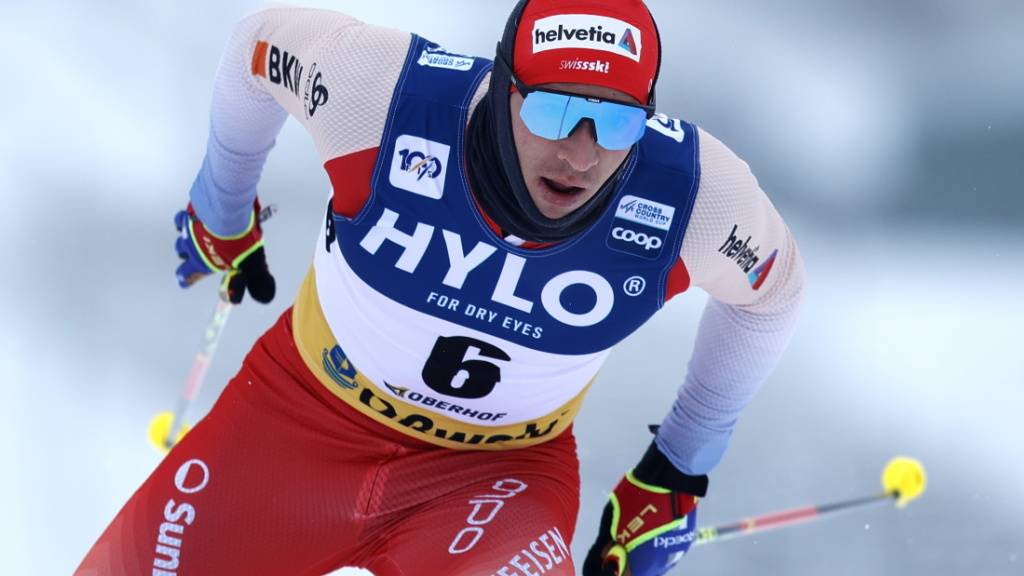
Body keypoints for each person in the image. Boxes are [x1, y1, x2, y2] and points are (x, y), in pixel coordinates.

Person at [77, 0, 804, 574]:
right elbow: (256, 50)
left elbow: (771, 297)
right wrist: (221, 209)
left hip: (498, 480)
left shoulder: (696, 195)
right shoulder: (384, 94)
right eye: (553, 110)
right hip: (297, 426)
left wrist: (675, 472)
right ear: (501, 86)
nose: (581, 153)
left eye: (616, 122)